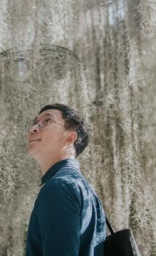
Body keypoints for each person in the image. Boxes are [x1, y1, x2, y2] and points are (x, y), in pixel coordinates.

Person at [25, 103, 106, 256]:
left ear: (70, 137)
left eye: (47, 121)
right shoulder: (81, 187)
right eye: (35, 123)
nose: (33, 128)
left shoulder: (59, 188)